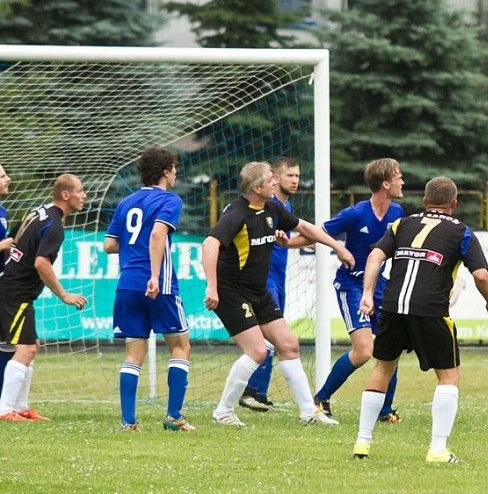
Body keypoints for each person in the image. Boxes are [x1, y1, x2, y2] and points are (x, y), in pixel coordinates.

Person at [352, 176, 488, 463]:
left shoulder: (402, 224)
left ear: (424, 202)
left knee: (382, 369)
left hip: (393, 306)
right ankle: (438, 450)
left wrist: (368, 294)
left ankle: (362, 442)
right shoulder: (461, 231)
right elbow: (481, 275)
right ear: (454, 204)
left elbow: (374, 258)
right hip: (430, 309)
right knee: (448, 376)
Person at [202, 161, 353, 427]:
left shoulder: (272, 208)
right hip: (231, 292)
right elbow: (209, 244)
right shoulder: (236, 213)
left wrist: (336, 248)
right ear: (257, 188)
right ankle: (223, 411)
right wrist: (211, 286)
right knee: (258, 351)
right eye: (271, 180)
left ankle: (309, 412)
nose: (276, 182)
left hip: (257, 291)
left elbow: (306, 229)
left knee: (288, 344)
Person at [104, 148, 195, 431]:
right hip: (159, 284)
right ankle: (173, 417)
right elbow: (157, 233)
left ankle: (128, 421)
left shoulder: (126, 202)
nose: (176, 173)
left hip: (127, 283)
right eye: (175, 168)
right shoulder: (169, 199)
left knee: (133, 353)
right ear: (166, 171)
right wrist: (155, 275)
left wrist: (135, 246)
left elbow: (108, 245)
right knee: (180, 346)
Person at [311, 158, 405, 423]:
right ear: (385, 183)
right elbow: (319, 233)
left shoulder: (397, 212)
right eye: (398, 176)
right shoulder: (355, 213)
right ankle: (320, 399)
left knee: (391, 347)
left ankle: (384, 411)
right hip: (351, 285)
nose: (402, 181)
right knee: (364, 351)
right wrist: (293, 242)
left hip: (379, 287)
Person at [0, 174, 89, 422]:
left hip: (9, 287)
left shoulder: (38, 211)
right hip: (15, 293)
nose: (84, 196)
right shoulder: (55, 225)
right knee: (26, 349)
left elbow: (14, 240)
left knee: (30, 346)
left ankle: (20, 407)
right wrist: (64, 295)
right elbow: (41, 263)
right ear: (65, 195)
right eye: (80, 191)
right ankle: (5, 409)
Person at [239, 157, 301, 412]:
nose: (295, 181)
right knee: (269, 338)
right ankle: (250, 392)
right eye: (289, 176)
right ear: (275, 179)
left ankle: (258, 394)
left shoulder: (284, 208)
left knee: (276, 340)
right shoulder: (266, 206)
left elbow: (290, 239)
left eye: (297, 176)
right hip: (264, 281)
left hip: (279, 278)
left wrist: (295, 242)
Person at [0, 164, 14, 389]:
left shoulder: (2, 211)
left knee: (8, 341)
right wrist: (12, 241)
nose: (8, 179)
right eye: (2, 176)